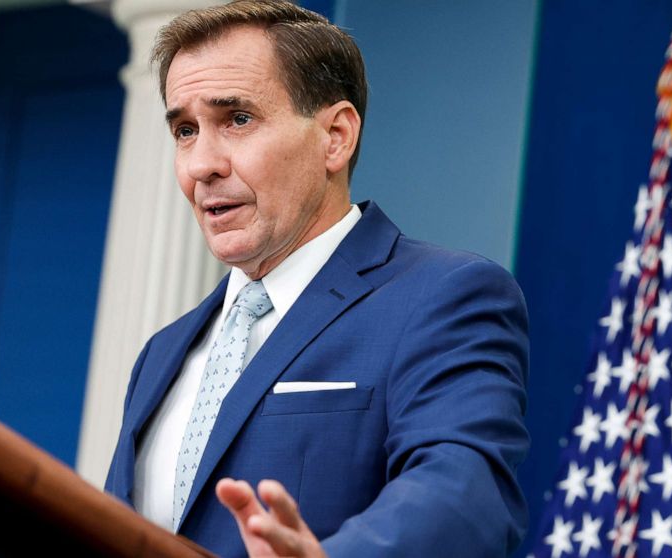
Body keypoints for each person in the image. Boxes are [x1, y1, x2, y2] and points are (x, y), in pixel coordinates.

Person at [104, 1, 530, 556]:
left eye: (237, 119)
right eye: (185, 130)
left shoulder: (446, 297)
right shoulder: (161, 353)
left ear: (336, 136)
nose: (200, 164)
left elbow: (464, 493)